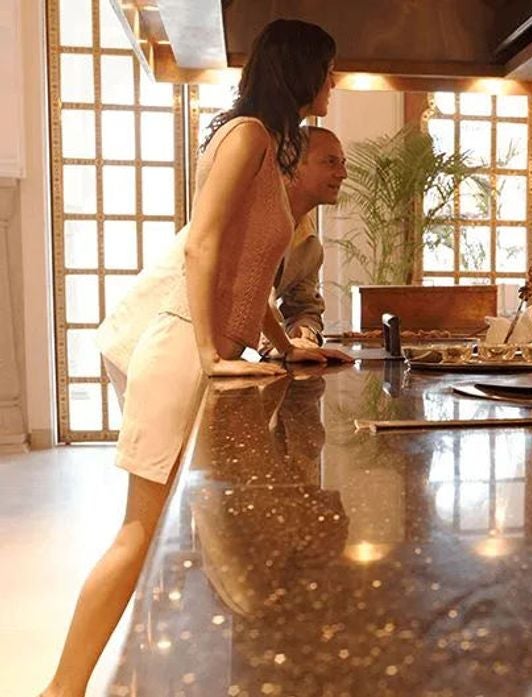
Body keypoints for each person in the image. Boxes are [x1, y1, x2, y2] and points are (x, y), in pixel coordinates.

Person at [41, 19, 343, 697]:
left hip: (202, 345)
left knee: (148, 534)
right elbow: (202, 245)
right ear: (299, 71)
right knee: (136, 534)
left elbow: (250, 264)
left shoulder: (267, 144)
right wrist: (211, 353)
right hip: (180, 346)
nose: (335, 81)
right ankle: (61, 689)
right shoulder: (246, 136)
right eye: (328, 69)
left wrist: (283, 342)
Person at [263, 125, 347, 353]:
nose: (343, 174)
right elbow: (249, 300)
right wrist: (283, 345)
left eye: (343, 163)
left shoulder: (310, 245)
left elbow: (304, 307)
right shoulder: (257, 214)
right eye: (330, 162)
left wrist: (305, 333)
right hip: (183, 346)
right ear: (292, 164)